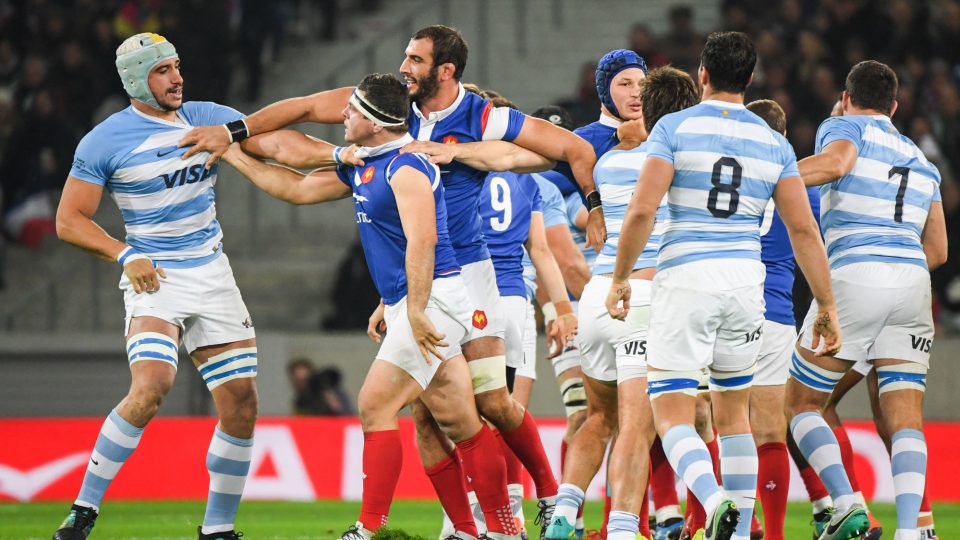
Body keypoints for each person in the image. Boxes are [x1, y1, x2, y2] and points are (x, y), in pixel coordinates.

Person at [181, 25, 606, 537]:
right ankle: (480, 527)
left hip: (464, 277)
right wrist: (233, 137)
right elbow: (295, 135)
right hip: (418, 284)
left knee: (480, 403)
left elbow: (564, 153)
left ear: (444, 71)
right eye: (404, 57)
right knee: (439, 419)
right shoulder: (381, 116)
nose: (404, 67)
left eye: (416, 59)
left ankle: (540, 498)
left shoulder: (475, 118)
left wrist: (479, 159)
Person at [222, 73, 519, 540]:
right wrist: (232, 152)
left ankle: (368, 527)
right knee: (462, 424)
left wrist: (416, 310)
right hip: (415, 301)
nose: (344, 114)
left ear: (378, 123)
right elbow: (295, 187)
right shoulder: (366, 163)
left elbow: (424, 240)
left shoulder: (406, 168)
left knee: (373, 405)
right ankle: (490, 530)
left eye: (354, 110)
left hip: (434, 301)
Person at [606, 32, 840, 540]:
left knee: (670, 413)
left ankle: (713, 501)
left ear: (702, 74)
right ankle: (735, 532)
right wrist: (825, 303)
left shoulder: (673, 127)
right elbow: (803, 230)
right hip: (745, 286)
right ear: (750, 79)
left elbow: (643, 209)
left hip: (687, 278)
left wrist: (621, 276)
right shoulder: (774, 142)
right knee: (735, 418)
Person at [52, 33, 259, 540]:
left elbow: (274, 140)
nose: (177, 77)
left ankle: (218, 529)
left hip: (212, 273)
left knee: (242, 401)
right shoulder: (104, 141)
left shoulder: (206, 116)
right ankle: (84, 509)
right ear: (136, 79)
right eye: (163, 70)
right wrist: (126, 253)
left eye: (177, 66)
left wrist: (338, 157)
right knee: (151, 388)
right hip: (155, 275)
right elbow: (68, 220)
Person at [786, 59, 947, 540]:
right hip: (914, 283)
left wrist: (774, 176)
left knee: (799, 404)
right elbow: (939, 250)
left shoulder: (844, 123)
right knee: (903, 419)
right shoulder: (923, 161)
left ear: (848, 96)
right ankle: (914, 530)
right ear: (895, 106)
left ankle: (847, 505)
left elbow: (836, 163)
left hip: (857, 275)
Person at [567, 66, 701, 540]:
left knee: (598, 418)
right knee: (643, 428)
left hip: (594, 297)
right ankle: (626, 527)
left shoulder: (604, 159)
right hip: (640, 293)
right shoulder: (677, 153)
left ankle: (563, 514)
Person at [742, 98, 820, 540]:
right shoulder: (801, 190)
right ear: (785, 137)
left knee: (723, 424)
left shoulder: (730, 179)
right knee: (772, 432)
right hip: (776, 314)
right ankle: (772, 533)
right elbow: (816, 246)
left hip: (727, 308)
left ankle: (732, 521)